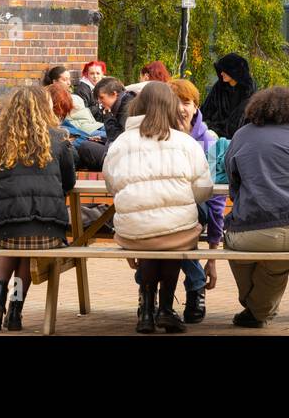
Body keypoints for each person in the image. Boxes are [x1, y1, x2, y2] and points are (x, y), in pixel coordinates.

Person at [103, 83, 214, 334]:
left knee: (151, 236)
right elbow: (203, 190)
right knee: (174, 235)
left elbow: (112, 185)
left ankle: (145, 312)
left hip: (132, 232)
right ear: (170, 108)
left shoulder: (121, 143)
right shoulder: (186, 143)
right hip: (178, 232)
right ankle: (165, 309)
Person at [223, 87, 289, 328]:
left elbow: (233, 180)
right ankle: (258, 309)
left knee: (234, 243)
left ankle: (255, 309)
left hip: (250, 232)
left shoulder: (242, 134)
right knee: (278, 260)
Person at [0, 87, 77, 331]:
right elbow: (69, 182)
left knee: (10, 234)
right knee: (27, 245)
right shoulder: (58, 138)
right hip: (47, 228)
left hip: (6, 227)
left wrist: (0, 211)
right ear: (44, 108)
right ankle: (15, 310)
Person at [169, 77, 226, 324]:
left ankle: (152, 296)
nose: (182, 108)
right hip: (165, 210)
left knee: (182, 223)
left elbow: (215, 199)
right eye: (175, 102)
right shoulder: (158, 138)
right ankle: (195, 288)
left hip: (195, 211)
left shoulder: (208, 141)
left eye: (187, 102)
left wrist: (213, 257)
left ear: (196, 106)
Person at [74, 76, 131, 171]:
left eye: (101, 98)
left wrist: (108, 116)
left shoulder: (126, 107)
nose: (100, 102)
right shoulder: (123, 102)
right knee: (87, 145)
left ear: (114, 94)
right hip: (124, 152)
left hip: (125, 158)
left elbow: (118, 138)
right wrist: (103, 139)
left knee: (85, 147)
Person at [200, 53, 257, 139]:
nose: (221, 73)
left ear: (234, 72)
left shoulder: (249, 91)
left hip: (240, 137)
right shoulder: (219, 87)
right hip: (214, 133)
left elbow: (245, 119)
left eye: (225, 71)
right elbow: (206, 111)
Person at [44, 65, 104, 141]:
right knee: (112, 135)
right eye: (65, 80)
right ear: (55, 82)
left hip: (93, 124)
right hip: (84, 129)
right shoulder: (55, 98)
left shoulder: (72, 94)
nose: (69, 83)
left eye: (69, 79)